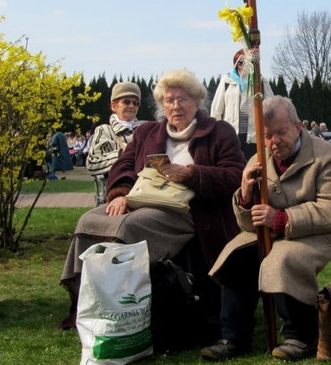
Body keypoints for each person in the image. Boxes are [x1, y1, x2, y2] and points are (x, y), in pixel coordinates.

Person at [58, 69, 246, 332]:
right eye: (169, 100)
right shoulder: (148, 132)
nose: (175, 106)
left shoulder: (218, 132)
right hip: (140, 200)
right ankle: (86, 303)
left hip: (188, 212)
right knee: (89, 221)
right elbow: (122, 166)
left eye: (182, 99)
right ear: (161, 104)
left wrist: (192, 174)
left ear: (197, 101)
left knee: (128, 227)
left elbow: (236, 176)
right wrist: (120, 194)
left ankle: (123, 311)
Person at [200, 96, 331, 361]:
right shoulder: (258, 160)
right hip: (277, 231)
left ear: (298, 127)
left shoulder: (326, 156)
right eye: (267, 135)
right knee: (235, 255)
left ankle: (300, 335)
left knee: (283, 258)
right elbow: (247, 223)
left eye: (281, 132)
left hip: (327, 231)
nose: (274, 141)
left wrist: (281, 219)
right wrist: (246, 198)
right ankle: (233, 335)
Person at [211, 49, 274, 159]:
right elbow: (216, 110)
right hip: (231, 136)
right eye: (240, 62)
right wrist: (215, 135)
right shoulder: (227, 81)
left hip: (254, 138)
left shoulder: (260, 82)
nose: (243, 66)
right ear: (235, 64)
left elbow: (272, 109)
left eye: (246, 62)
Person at [86, 81, 144, 178]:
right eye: (126, 102)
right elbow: (92, 163)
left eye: (136, 103)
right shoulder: (104, 130)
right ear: (113, 106)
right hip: (120, 184)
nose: (132, 106)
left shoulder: (146, 128)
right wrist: (121, 154)